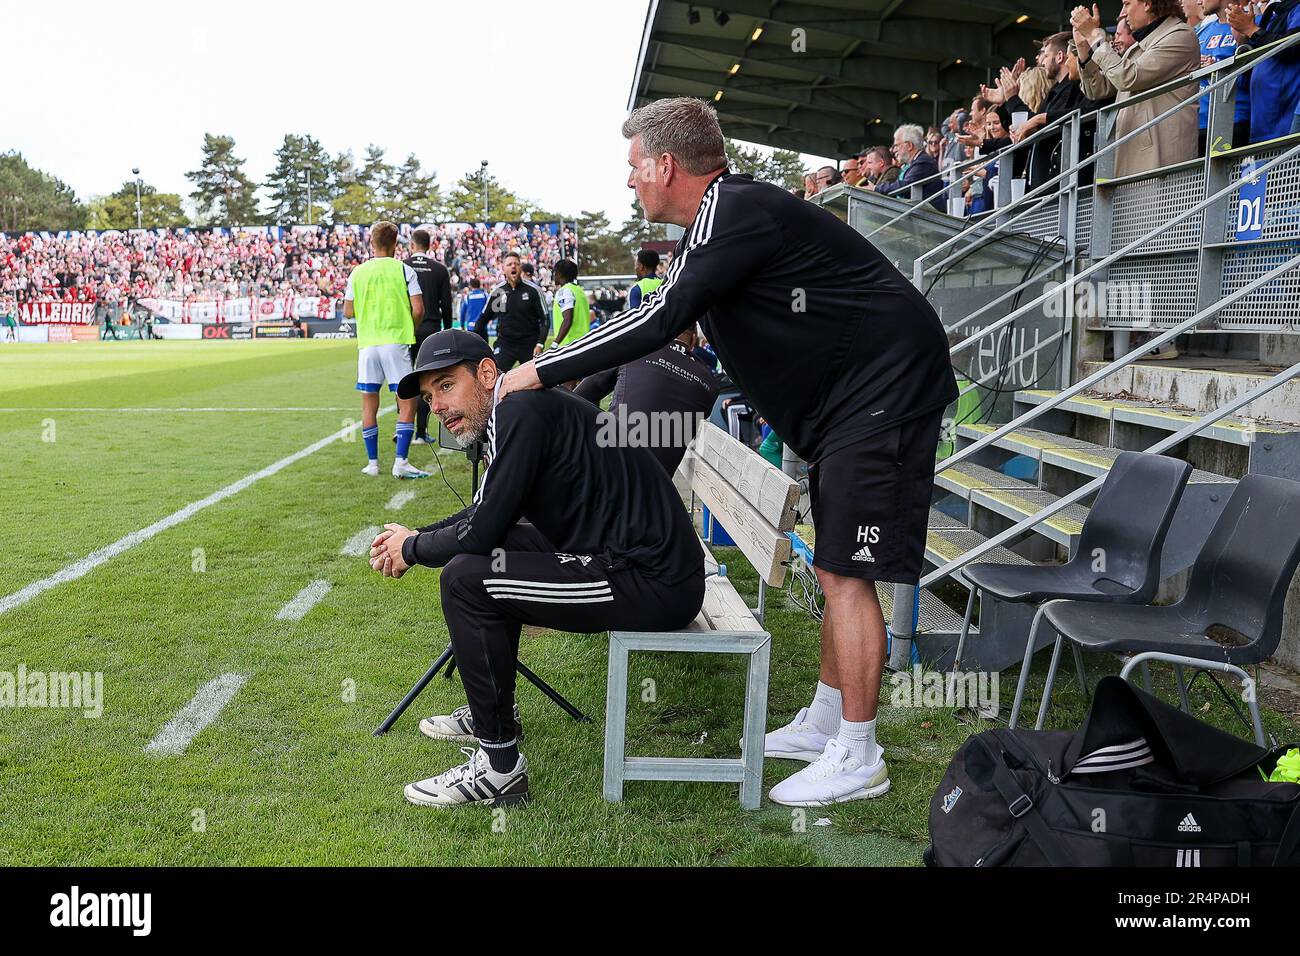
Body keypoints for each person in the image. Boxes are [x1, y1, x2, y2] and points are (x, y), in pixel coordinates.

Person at [499, 97, 958, 807]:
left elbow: (660, 316)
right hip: (852, 404)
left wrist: (542, 369)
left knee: (847, 571)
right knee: (838, 564)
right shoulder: (719, 223)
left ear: (666, 164)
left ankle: (860, 754)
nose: (628, 182)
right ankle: (830, 719)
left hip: (886, 391)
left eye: (632, 167)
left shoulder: (732, 208)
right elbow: (668, 312)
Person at [369, 329, 705, 808]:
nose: (437, 406)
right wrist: (414, 539)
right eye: (429, 396)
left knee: (466, 580)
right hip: (623, 556)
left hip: (652, 580)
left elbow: (481, 529)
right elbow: (486, 517)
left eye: (446, 386)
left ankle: (499, 768)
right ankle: (495, 715)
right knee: (474, 565)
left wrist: (414, 547)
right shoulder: (516, 411)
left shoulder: (518, 410)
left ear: (487, 375)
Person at [1072, 0, 1201, 178]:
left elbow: (1127, 78)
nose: (1123, 13)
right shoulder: (1138, 45)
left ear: (1147, 4)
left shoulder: (1180, 35)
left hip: (1161, 163)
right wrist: (1084, 47)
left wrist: (1094, 36)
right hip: (1131, 157)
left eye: (1127, 4)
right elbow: (1097, 89)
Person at [343, 220, 430, 479]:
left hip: (368, 345)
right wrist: (409, 328)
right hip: (396, 341)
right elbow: (419, 309)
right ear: (396, 244)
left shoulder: (357, 272)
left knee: (369, 404)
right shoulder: (404, 270)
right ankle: (400, 462)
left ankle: (372, 464)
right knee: (407, 401)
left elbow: (348, 311)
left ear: (372, 243)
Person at [573, 325, 720, 475]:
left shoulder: (635, 348)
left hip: (606, 467)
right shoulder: (710, 382)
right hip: (655, 487)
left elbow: (579, 397)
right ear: (694, 338)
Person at [1226, 0, 1300, 144]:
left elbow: (1290, 47)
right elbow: (1246, 75)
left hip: (1285, 123)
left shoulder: (1296, 8)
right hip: (1262, 125)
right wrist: (1243, 40)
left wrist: (1251, 29)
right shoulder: (1274, 13)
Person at [406, 228, 454, 444]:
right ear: (430, 245)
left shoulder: (403, 267)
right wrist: (447, 330)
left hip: (407, 330)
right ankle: (421, 432)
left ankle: (403, 427)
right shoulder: (439, 269)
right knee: (428, 382)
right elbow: (447, 304)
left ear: (412, 245)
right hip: (432, 330)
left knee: (404, 379)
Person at [473, 252, 548, 371]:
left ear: (520, 268)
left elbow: (544, 319)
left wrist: (540, 344)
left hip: (530, 344)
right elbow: (483, 320)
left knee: (537, 381)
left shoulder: (533, 290)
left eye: (516, 264)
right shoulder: (498, 292)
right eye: (509, 264)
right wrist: (481, 346)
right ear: (503, 269)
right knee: (496, 378)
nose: (513, 266)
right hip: (505, 344)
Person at [876, 124, 945, 210]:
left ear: (909, 146)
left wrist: (876, 188)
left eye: (897, 145)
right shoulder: (917, 161)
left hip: (929, 217)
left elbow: (905, 186)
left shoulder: (923, 162)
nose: (894, 150)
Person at [549, 258, 591, 349]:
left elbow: (567, 319)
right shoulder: (579, 291)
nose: (553, 276)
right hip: (583, 342)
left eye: (554, 272)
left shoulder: (565, 291)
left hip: (569, 345)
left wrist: (555, 344)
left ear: (559, 273)